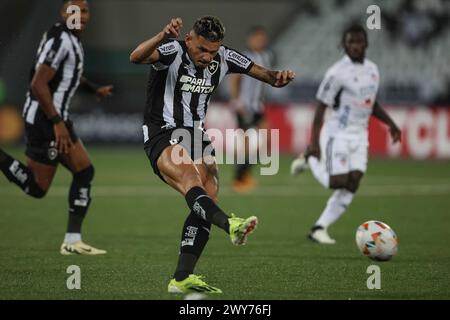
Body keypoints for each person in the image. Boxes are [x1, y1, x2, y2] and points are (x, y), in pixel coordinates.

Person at [130, 16, 295, 293]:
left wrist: (276, 78)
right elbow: (136, 57)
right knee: (192, 182)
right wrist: (161, 36)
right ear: (190, 40)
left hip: (196, 136)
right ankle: (231, 224)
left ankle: (181, 278)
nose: (208, 56)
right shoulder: (173, 51)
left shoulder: (225, 57)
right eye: (202, 50)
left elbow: (259, 71)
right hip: (164, 131)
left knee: (209, 195)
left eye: (213, 51)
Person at [0, 0, 113, 255]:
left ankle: (72, 242)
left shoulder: (71, 39)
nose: (80, 15)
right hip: (45, 120)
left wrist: (93, 88)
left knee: (84, 171)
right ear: (63, 14)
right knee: (37, 188)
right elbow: (38, 84)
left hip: (56, 119)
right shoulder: (60, 38)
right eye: (73, 11)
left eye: (84, 11)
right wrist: (57, 124)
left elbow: (69, 73)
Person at [291, 24, 401, 244]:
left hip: (360, 135)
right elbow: (321, 107)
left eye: (359, 41)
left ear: (366, 44)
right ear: (344, 45)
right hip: (336, 134)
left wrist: (391, 124)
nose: (355, 46)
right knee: (337, 182)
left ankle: (319, 228)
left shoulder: (372, 69)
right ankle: (310, 158)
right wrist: (315, 143)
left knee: (353, 183)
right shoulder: (336, 73)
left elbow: (371, 103)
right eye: (351, 42)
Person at [229, 26, 274, 192]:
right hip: (244, 106)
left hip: (258, 106)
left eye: (263, 38)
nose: (261, 41)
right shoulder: (244, 56)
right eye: (258, 38)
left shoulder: (266, 56)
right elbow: (235, 79)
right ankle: (239, 178)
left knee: (267, 139)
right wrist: (236, 100)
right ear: (251, 39)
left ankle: (244, 174)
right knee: (246, 144)